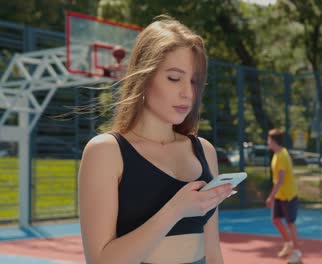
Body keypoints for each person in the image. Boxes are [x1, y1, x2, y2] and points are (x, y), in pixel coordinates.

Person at [78, 16, 234, 264]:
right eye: (174, 78)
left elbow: (213, 253)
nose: (188, 92)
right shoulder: (106, 151)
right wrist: (176, 210)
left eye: (194, 81)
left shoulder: (204, 151)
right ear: (144, 77)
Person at [266, 129, 301, 263]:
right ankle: (288, 243)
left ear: (274, 141)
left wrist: (270, 197)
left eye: (268, 139)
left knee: (290, 223)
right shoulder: (276, 154)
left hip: (288, 195)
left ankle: (297, 252)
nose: (267, 142)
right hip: (280, 195)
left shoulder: (282, 156)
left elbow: (280, 180)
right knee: (276, 220)